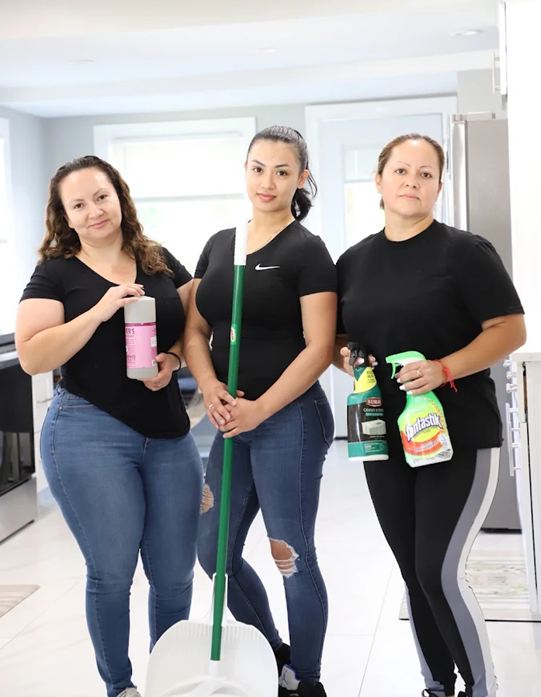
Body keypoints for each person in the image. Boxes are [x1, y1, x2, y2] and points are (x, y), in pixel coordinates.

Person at [335, 133, 526, 697]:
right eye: (401, 171)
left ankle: (481, 688)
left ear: (439, 186)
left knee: (438, 572)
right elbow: (340, 339)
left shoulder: (464, 252)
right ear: (379, 180)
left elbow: (510, 330)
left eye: (425, 174)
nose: (411, 182)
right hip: (385, 438)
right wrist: (351, 362)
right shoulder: (354, 261)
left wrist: (444, 370)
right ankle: (437, 685)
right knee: (413, 577)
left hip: (458, 435)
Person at [15, 156, 203, 697]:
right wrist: (98, 311)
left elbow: (196, 319)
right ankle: (120, 688)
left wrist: (172, 357)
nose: (94, 211)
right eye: (79, 204)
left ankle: (168, 682)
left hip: (168, 433)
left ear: (119, 196)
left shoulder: (158, 259)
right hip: (87, 433)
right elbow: (31, 355)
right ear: (65, 217)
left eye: (101, 196)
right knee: (113, 574)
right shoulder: (56, 273)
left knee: (174, 578)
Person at [184, 126, 336, 697]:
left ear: (300, 179)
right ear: (244, 171)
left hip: (289, 420)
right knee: (210, 551)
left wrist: (262, 408)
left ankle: (306, 680)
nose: (266, 181)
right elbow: (198, 328)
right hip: (230, 420)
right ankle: (274, 650)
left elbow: (319, 348)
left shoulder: (307, 251)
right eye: (256, 168)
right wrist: (210, 385)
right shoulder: (221, 243)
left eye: (280, 171)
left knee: (289, 553)